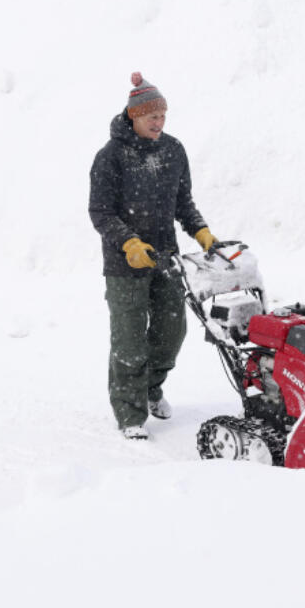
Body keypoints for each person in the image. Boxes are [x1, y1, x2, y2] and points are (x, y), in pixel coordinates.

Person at [89, 72, 218, 440]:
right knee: (129, 341)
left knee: (171, 332)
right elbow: (100, 212)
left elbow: (183, 203)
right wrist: (129, 243)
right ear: (134, 116)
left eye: (162, 116)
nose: (158, 123)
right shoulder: (110, 157)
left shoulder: (173, 150)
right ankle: (130, 413)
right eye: (151, 117)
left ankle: (151, 387)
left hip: (165, 258)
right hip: (124, 265)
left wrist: (201, 231)